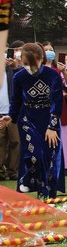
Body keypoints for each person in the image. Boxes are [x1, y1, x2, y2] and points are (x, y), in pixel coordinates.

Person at [0, 43, 64, 198]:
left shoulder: (52, 75)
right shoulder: (19, 76)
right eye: (25, 64)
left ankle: (47, 193)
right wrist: (11, 116)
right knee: (34, 153)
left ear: (41, 59)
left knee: (49, 155)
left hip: (49, 118)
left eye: (33, 63)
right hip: (28, 120)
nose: (29, 67)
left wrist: (52, 127)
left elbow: (57, 102)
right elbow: (16, 100)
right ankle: (27, 182)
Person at [42, 41, 67, 172]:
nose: (49, 52)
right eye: (46, 50)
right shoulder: (38, 70)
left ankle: (66, 164)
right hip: (44, 106)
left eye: (51, 49)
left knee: (64, 134)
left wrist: (64, 72)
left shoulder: (58, 69)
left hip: (60, 106)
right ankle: (50, 164)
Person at [0, 45, 19, 181]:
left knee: (15, 141)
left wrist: (14, 67)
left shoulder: (13, 69)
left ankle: (12, 171)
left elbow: (22, 80)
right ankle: (0, 171)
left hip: (12, 112)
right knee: (0, 143)